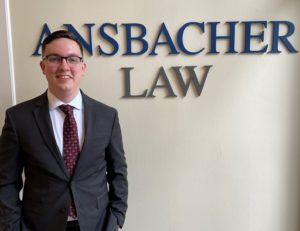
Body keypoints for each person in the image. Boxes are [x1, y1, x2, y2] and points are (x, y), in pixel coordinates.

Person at [0, 30, 128, 231]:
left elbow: (118, 173)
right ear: (43, 66)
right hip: (38, 225)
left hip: (97, 224)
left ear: (83, 67)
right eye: (54, 58)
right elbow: (6, 181)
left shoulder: (107, 116)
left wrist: (116, 218)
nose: (64, 66)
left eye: (72, 59)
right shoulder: (18, 118)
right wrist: (11, 227)